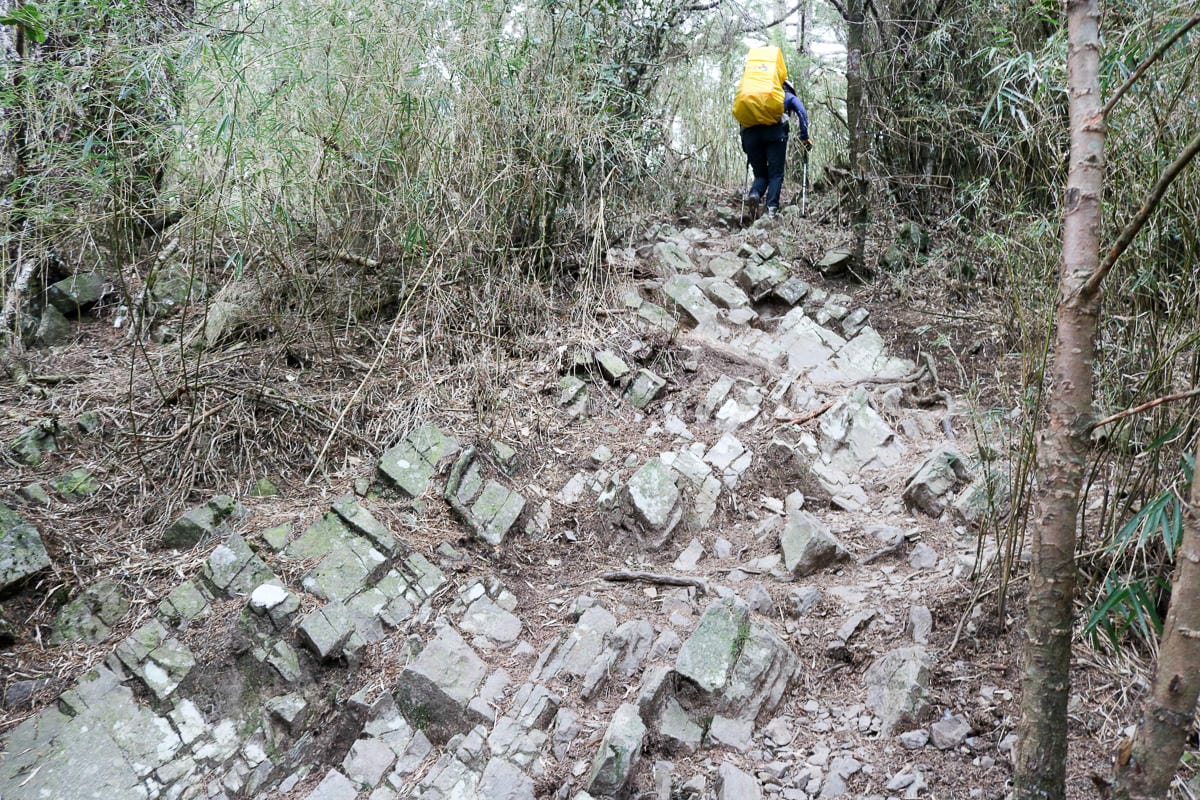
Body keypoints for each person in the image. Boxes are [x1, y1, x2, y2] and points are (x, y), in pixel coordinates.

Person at [741, 79, 812, 218]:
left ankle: (754, 194)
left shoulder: (757, 96)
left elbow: (742, 118)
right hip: (775, 135)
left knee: (760, 174)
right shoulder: (787, 96)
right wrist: (804, 136)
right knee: (776, 174)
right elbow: (802, 112)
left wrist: (745, 144)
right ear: (789, 88)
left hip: (750, 136)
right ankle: (771, 208)